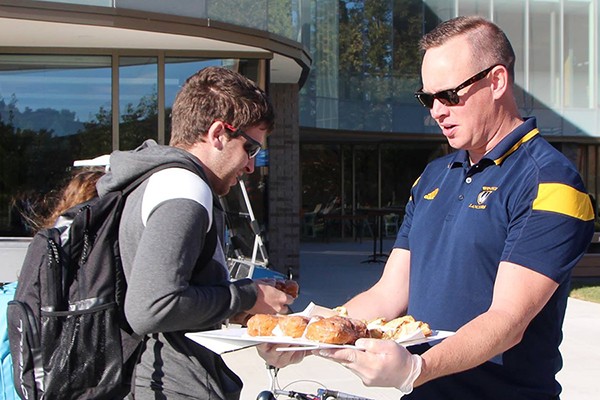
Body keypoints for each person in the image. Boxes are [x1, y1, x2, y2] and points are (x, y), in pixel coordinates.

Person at [258, 16, 595, 400]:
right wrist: (305, 333)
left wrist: (419, 368)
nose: (436, 110)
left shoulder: (549, 182)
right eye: (427, 97)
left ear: (497, 81)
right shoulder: (434, 176)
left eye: (449, 95)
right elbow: (389, 292)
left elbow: (508, 320)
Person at [96, 66, 293, 400]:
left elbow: (168, 294)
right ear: (218, 134)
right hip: (172, 386)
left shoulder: (151, 180)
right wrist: (247, 296)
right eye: (251, 149)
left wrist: (235, 306)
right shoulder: (185, 189)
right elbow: (151, 307)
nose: (250, 167)